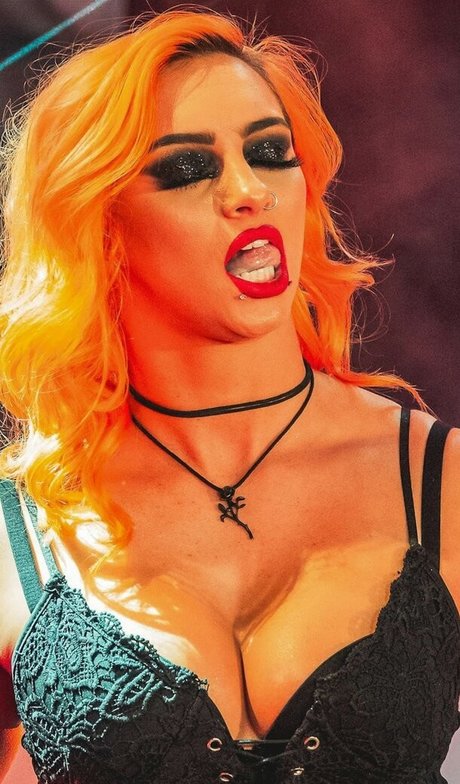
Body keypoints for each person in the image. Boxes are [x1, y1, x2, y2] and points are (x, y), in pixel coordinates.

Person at [0, 9, 459, 784]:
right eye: (187, 168)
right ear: (97, 223)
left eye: (271, 153)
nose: (249, 191)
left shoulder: (440, 481)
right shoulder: (23, 522)